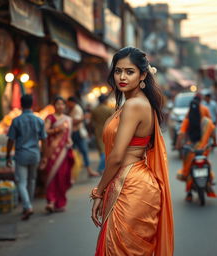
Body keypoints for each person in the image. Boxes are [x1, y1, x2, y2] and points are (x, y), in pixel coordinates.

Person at [90, 47, 174, 255]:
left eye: (130, 71)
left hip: (130, 184)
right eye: (118, 71)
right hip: (135, 181)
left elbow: (117, 157)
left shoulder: (134, 105)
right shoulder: (135, 103)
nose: (122, 77)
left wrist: (97, 192)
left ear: (143, 75)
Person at [6, 94, 47, 220]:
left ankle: (27, 206)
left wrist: (8, 155)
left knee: (21, 182)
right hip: (35, 154)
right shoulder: (39, 120)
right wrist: (44, 155)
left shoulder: (16, 120)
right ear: (32, 104)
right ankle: (28, 205)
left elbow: (11, 140)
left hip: (21, 155)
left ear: (21, 104)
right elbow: (44, 140)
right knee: (32, 180)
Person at [176, 99, 217, 201]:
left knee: (188, 169)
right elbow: (213, 133)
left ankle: (189, 192)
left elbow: (181, 134)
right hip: (203, 150)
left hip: (191, 150)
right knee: (206, 164)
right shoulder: (206, 122)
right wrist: (215, 143)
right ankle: (209, 181)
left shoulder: (187, 120)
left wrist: (178, 146)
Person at [43, 96, 74, 213]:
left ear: (64, 106)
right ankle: (51, 201)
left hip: (64, 153)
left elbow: (68, 136)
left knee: (62, 177)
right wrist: (57, 130)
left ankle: (60, 202)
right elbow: (45, 132)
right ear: (54, 105)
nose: (60, 106)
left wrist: (70, 142)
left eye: (62, 104)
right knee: (52, 176)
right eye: (58, 104)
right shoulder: (50, 118)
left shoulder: (68, 119)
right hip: (52, 152)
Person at [66, 97, 99, 177]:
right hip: (75, 132)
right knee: (74, 152)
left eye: (68, 103)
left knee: (83, 151)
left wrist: (67, 121)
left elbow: (77, 120)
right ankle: (74, 171)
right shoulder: (73, 109)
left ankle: (88, 170)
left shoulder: (77, 109)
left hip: (77, 133)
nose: (67, 104)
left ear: (72, 102)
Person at [91, 94, 113, 173]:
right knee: (107, 148)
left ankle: (104, 166)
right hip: (108, 129)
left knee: (101, 148)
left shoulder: (94, 110)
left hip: (98, 130)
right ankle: (101, 167)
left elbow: (91, 122)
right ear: (105, 100)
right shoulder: (109, 109)